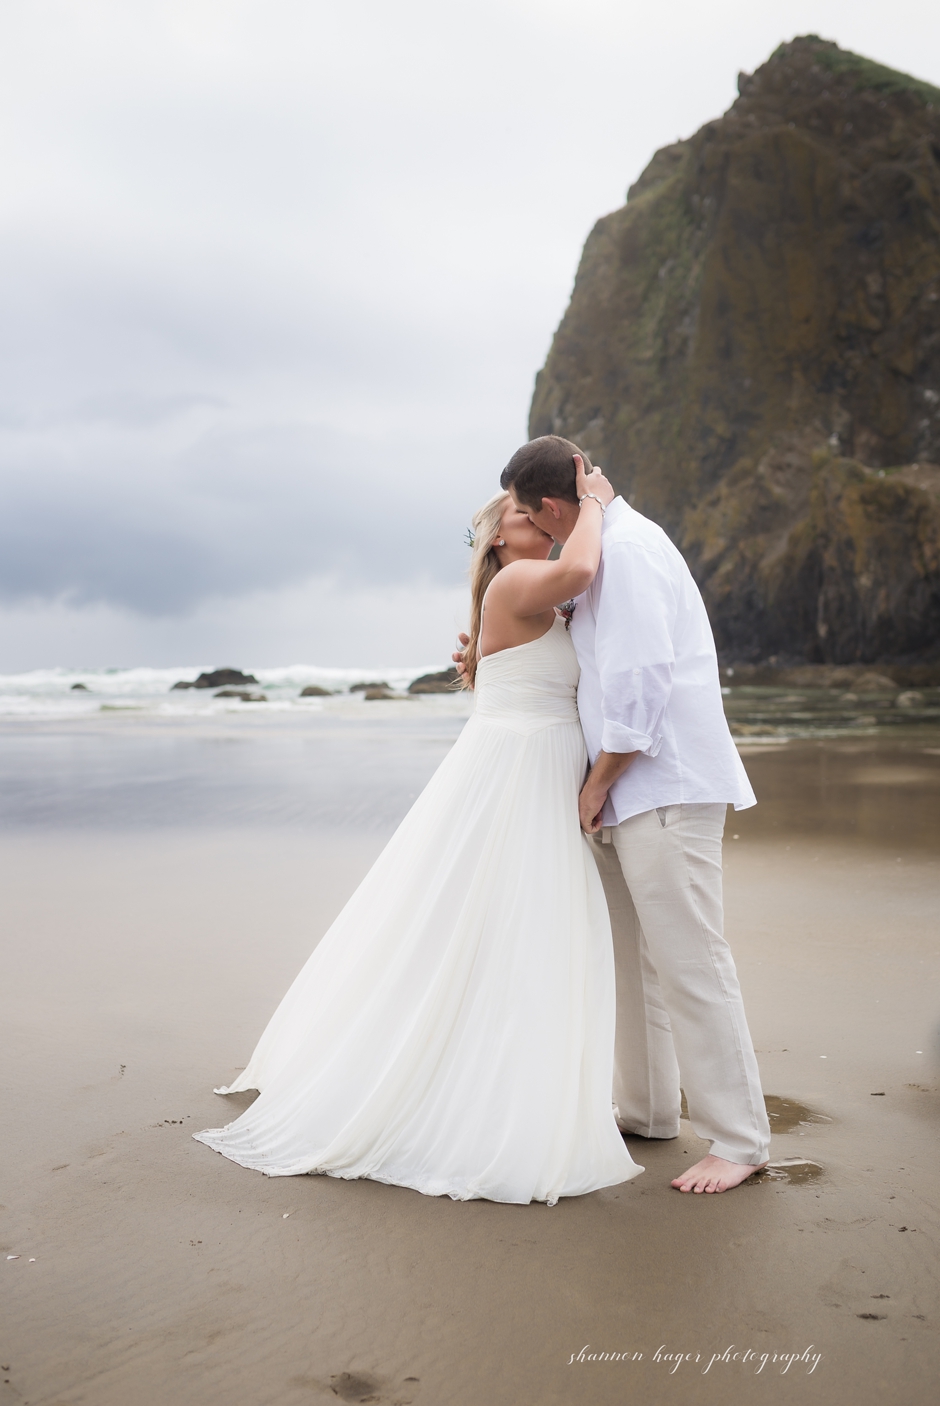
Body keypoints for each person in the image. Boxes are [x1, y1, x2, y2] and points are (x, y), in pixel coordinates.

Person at [195, 458, 642, 1206]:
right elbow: (582, 567)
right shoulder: (516, 582)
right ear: (496, 539)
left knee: (506, 926)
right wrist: (596, 501)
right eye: (522, 514)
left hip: (530, 764)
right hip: (519, 770)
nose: (539, 517)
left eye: (541, 511)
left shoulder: (529, 595)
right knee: (503, 924)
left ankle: (504, 1075)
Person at [492, 435, 771, 1193]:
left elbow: (643, 680)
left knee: (691, 963)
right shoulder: (602, 549)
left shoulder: (632, 551)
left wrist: (599, 780)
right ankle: (647, 1109)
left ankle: (741, 1139)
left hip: (662, 786)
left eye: (527, 514)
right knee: (633, 962)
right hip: (628, 793)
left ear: (552, 507)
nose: (528, 527)